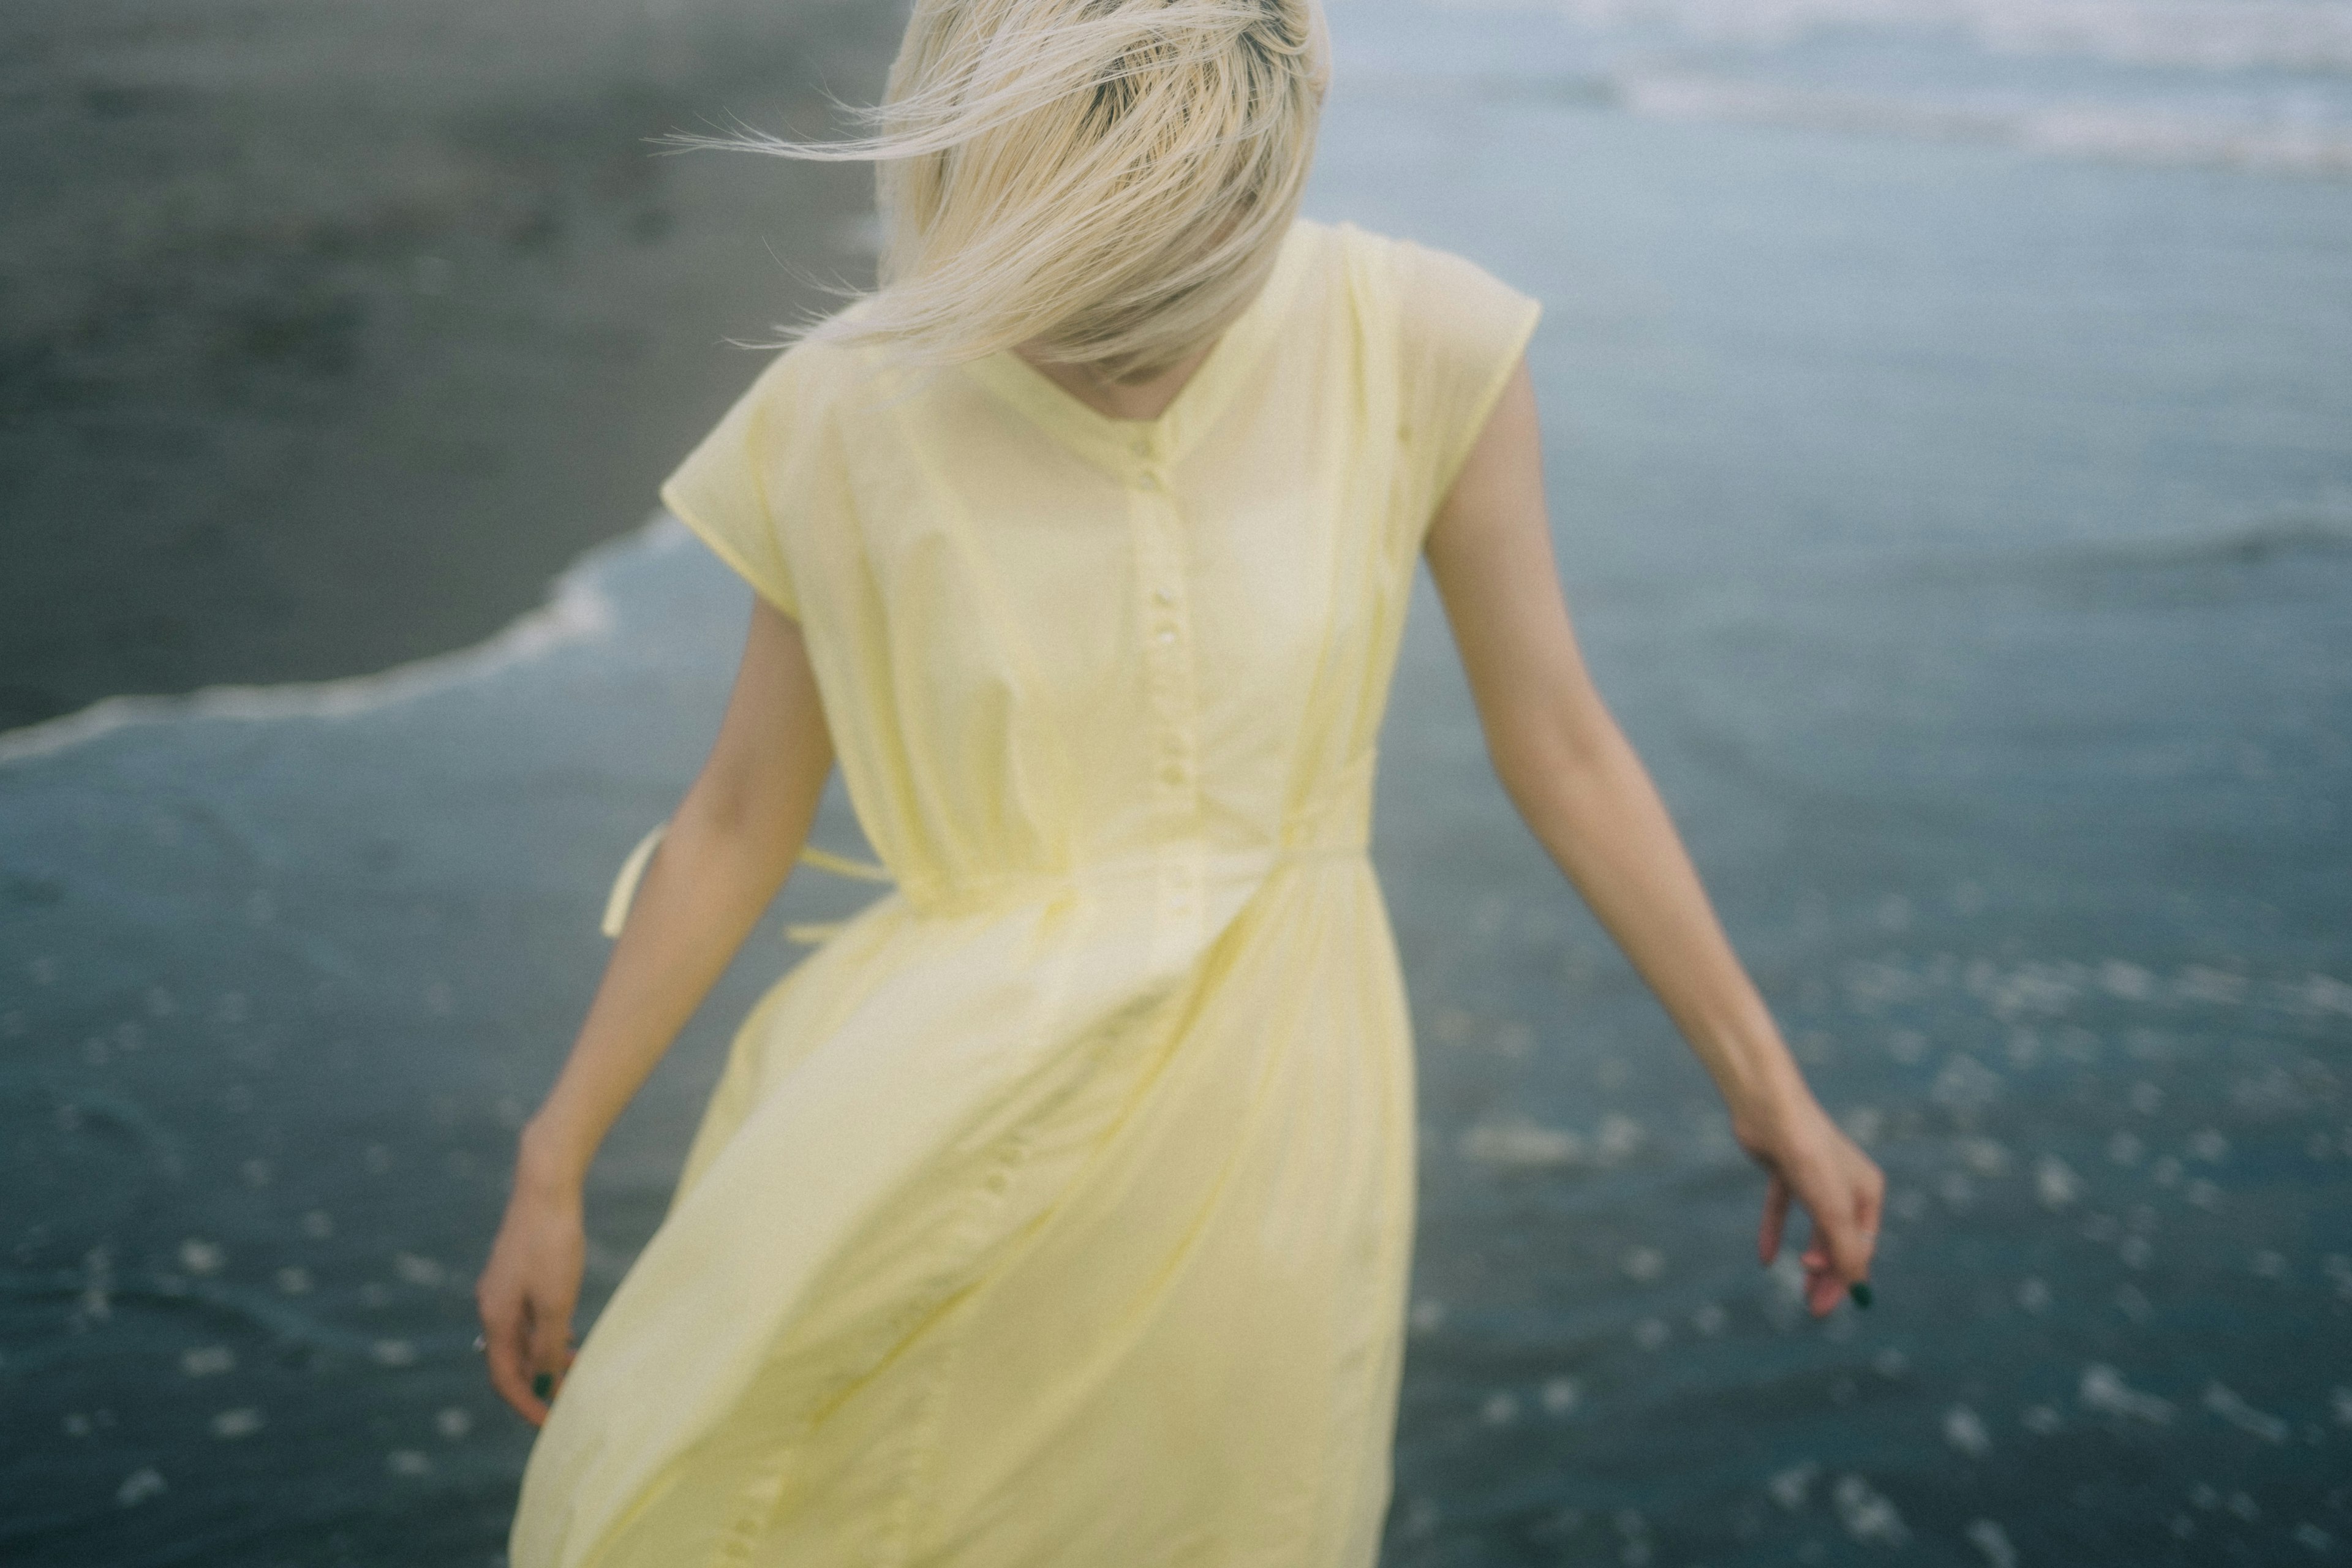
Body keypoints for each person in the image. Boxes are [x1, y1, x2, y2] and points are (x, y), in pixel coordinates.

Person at [475, 0, 1885, 1563]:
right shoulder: (847, 402)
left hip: (1273, 1122)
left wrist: (1768, 1086)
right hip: (927, 1100)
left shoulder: (1416, 339)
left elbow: (1558, 740)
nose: (1124, 333)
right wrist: (558, 1155)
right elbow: (741, 811)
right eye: (1082, 265)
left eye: (1185, 258)